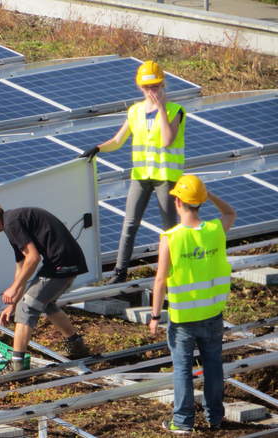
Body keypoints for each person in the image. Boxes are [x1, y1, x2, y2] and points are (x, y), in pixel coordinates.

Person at [81, 60, 186, 284]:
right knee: (129, 224)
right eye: (148, 87)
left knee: (169, 228)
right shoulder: (135, 111)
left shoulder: (174, 110)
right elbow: (118, 140)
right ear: (140, 87)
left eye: (156, 86)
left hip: (165, 177)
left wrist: (161, 109)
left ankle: (175, 270)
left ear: (163, 84)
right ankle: (120, 272)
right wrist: (98, 148)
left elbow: (167, 140)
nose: (152, 91)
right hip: (141, 176)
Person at [148, 174, 236, 433]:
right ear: (199, 202)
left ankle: (183, 422)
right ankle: (214, 417)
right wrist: (209, 196)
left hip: (183, 319)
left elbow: (160, 279)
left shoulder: (171, 237)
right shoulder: (214, 230)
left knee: (183, 371)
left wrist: (154, 316)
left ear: (177, 202)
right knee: (213, 367)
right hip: (213, 314)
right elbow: (230, 212)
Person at [0, 199, 90, 371]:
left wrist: (15, 291)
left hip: (62, 263)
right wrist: (12, 304)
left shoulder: (12, 223)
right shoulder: (11, 222)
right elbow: (21, 266)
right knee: (45, 304)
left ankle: (17, 365)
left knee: (28, 306)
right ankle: (76, 344)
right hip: (64, 260)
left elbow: (33, 258)